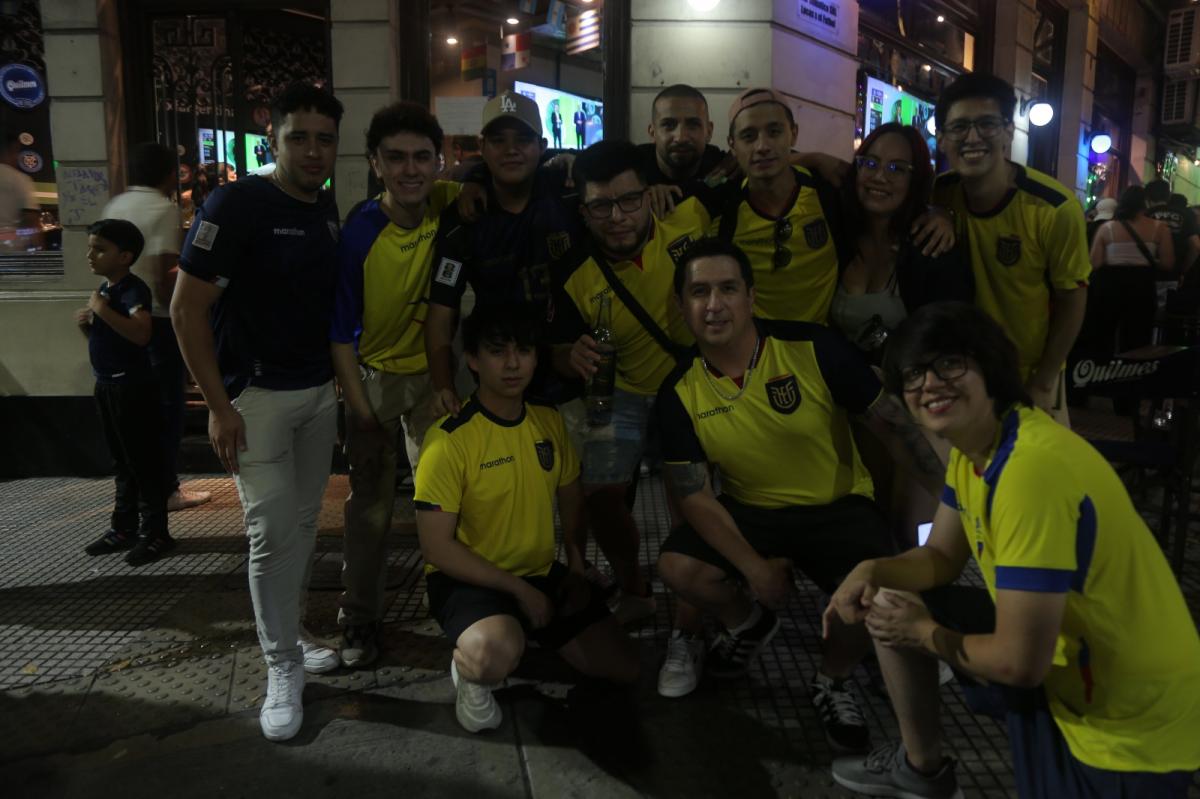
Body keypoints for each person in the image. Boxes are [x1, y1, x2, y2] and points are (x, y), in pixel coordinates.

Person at [826, 301, 1200, 799]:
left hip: (1128, 725)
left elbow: (1022, 662)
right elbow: (940, 556)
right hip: (1069, 675)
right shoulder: (978, 450)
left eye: (949, 363)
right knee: (892, 596)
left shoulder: (1029, 471)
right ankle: (922, 770)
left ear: (990, 367)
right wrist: (872, 568)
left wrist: (925, 634)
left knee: (914, 621)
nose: (929, 384)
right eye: (914, 373)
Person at [655, 238, 944, 751]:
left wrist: (956, 499)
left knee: (876, 592)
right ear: (682, 307)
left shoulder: (814, 347)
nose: (714, 305)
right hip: (753, 510)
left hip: (838, 506)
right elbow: (695, 497)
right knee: (679, 567)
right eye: (699, 292)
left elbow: (893, 430)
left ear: (751, 297)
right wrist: (754, 570)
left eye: (727, 289)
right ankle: (748, 622)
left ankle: (831, 680)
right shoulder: (678, 391)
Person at [171, 82, 344, 742]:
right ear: (273, 139)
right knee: (271, 532)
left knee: (301, 527)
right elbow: (186, 309)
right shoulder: (237, 203)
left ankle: (294, 636)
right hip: (256, 401)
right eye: (298, 136)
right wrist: (218, 406)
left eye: (323, 138)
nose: (311, 149)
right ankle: (281, 665)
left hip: (317, 393)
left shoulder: (325, 208)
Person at [415, 304, 639, 734]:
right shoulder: (448, 439)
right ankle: (470, 669)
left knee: (624, 667)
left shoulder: (548, 421)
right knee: (492, 654)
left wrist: (575, 562)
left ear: (537, 357)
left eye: (524, 350)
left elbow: (571, 498)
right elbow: (436, 548)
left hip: (538, 573)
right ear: (473, 360)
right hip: (468, 581)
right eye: (498, 352)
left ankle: (524, 629)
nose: (514, 363)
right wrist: (519, 590)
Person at [552, 139, 717, 629]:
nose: (617, 217)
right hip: (621, 394)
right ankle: (634, 590)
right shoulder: (575, 276)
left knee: (689, 498)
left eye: (628, 200)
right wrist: (569, 355)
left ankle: (691, 620)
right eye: (601, 206)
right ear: (583, 211)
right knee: (601, 494)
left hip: (690, 391)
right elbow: (559, 349)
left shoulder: (687, 220)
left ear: (650, 195)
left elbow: (746, 176)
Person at [331, 102, 461, 669]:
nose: (411, 170)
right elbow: (337, 334)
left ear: (440, 162)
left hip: (434, 379)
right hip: (374, 384)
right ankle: (358, 618)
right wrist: (360, 411)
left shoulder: (447, 203)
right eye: (396, 158)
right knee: (372, 511)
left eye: (422, 158)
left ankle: (460, 604)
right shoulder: (359, 235)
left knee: (448, 499)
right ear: (375, 164)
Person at [931, 73, 1089, 423]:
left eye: (987, 124)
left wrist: (1045, 381)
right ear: (941, 138)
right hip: (959, 372)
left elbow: (1072, 299)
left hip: (1028, 376)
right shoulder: (938, 193)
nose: (973, 138)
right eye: (959, 127)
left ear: (1008, 132)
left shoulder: (1055, 209)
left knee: (1034, 473)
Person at [425, 90, 585, 419]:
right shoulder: (464, 218)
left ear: (542, 146)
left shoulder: (570, 195)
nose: (511, 150)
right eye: (498, 140)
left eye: (523, 139)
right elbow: (441, 313)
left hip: (571, 377)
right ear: (482, 148)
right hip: (499, 382)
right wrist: (443, 386)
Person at [102, 142, 212, 513]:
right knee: (168, 407)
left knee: (136, 412)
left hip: (120, 319)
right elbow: (164, 274)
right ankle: (166, 489)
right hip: (159, 322)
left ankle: (140, 491)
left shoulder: (117, 205)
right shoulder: (163, 209)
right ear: (168, 174)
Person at [75, 219, 174, 566]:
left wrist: (101, 310)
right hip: (108, 384)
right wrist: (90, 327)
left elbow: (141, 333)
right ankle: (124, 527)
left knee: (143, 462)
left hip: (132, 388)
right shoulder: (106, 289)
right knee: (122, 462)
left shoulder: (132, 290)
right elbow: (115, 339)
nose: (90, 254)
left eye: (100, 248)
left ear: (125, 256)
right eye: (90, 247)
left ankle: (156, 533)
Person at [829, 122, 973, 358]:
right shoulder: (839, 229)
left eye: (897, 168)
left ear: (915, 180)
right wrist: (814, 158)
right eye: (871, 163)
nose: (879, 176)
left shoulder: (932, 246)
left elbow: (952, 344)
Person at [640, 84, 728, 187]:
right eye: (669, 125)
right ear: (652, 133)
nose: (681, 138)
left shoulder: (725, 166)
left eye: (693, 125)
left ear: (708, 131)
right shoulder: (631, 168)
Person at [1145, 180, 1199, 278]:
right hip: (1173, 276)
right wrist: (1183, 271)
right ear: (1168, 196)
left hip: (1148, 275)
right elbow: (1196, 246)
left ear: (1147, 197)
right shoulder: (1185, 215)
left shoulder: (1144, 216)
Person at [0, 130, 42, 252]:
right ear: (12, 149)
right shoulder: (20, 179)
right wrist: (39, 254)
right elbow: (31, 220)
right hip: (9, 249)